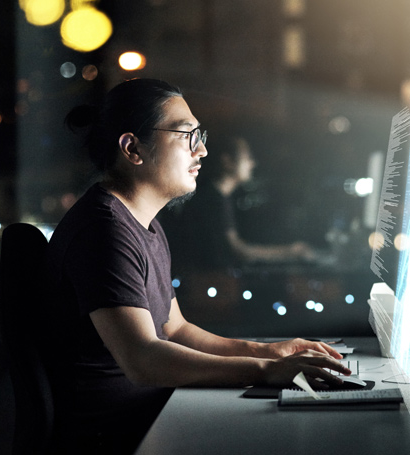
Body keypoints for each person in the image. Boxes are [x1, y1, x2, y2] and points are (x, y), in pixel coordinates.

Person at [46, 79, 350, 454]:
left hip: (150, 417)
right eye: (187, 134)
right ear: (132, 148)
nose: (202, 149)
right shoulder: (103, 231)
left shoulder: (145, 224)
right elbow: (143, 359)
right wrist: (266, 373)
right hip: (116, 437)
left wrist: (270, 352)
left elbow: (176, 330)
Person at [173, 133, 315, 270]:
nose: (252, 163)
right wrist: (290, 252)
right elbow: (238, 250)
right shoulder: (213, 199)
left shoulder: (218, 196)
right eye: (247, 157)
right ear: (227, 161)